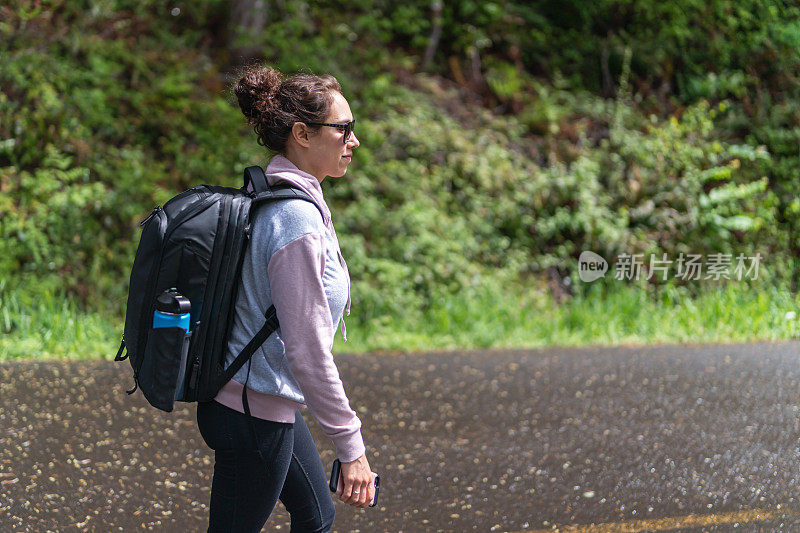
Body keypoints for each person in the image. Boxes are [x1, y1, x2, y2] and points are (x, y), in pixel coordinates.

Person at [196, 65, 374, 532]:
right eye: (343, 129)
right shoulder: (293, 218)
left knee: (316, 515)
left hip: (262, 403)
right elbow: (307, 350)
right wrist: (351, 445)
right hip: (251, 413)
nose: (353, 140)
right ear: (302, 134)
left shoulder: (290, 201)